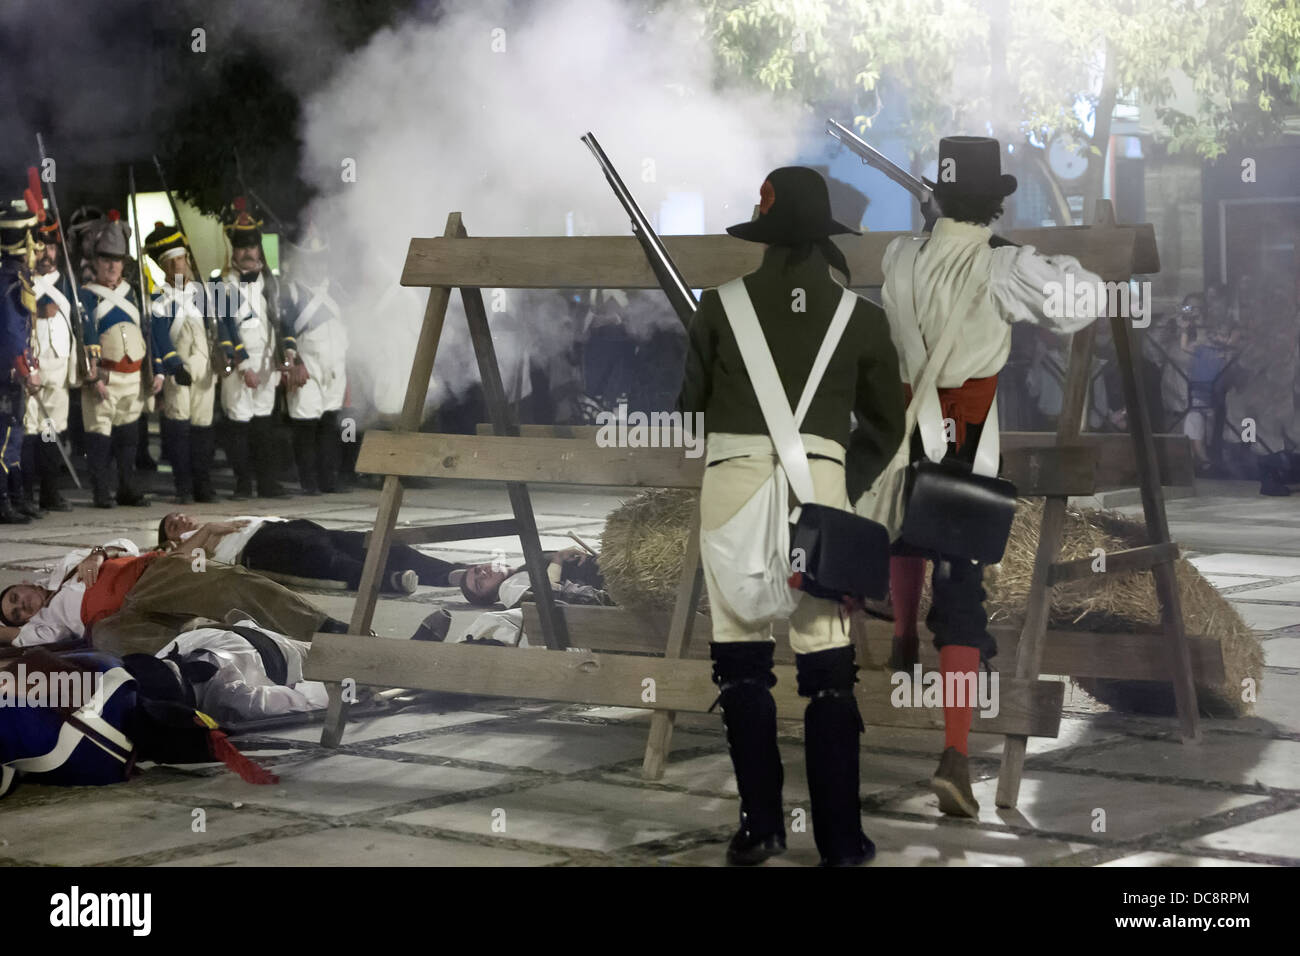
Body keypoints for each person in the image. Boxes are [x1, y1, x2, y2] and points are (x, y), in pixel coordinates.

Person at [679, 166, 905, 866]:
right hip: (822, 494)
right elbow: (887, 424)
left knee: (741, 663)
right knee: (828, 666)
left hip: (731, 490)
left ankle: (761, 826)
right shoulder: (862, 319)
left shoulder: (717, 306)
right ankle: (840, 839)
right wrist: (839, 475)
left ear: (765, 231)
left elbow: (689, 412)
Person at [881, 136, 1104, 819]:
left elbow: (918, 268)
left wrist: (933, 222)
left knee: (903, 529)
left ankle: (898, 645)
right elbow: (1081, 302)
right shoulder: (1001, 264)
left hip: (904, 441)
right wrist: (1030, 255)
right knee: (962, 597)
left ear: (937, 197)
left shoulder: (899, 257)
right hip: (968, 446)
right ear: (995, 203)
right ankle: (953, 754)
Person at [0, 542, 374, 657]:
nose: (22, 606)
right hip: (115, 620)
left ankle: (328, 630)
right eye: (16, 613)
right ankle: (250, 659)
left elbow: (126, 546)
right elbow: (14, 643)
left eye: (16, 597)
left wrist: (98, 553)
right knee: (109, 641)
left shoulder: (66, 564)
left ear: (24, 584)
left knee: (229, 584)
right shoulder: (41, 626)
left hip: (147, 578)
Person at [78, 213, 166, 508]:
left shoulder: (135, 294)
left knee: (129, 439)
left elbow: (149, 333)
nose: (112, 266)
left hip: (132, 377)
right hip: (105, 377)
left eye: (117, 260)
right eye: (106, 259)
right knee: (99, 439)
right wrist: (91, 375)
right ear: (96, 261)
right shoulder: (87, 296)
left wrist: (157, 370)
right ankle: (101, 492)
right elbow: (83, 339)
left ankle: (127, 488)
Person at [158, 512, 464, 593]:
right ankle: (390, 580)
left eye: (179, 516)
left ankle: (448, 573)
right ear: (168, 538)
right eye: (173, 524)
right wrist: (206, 530)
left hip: (278, 529)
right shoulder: (179, 547)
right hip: (257, 549)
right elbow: (175, 564)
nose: (180, 520)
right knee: (326, 561)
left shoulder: (205, 529)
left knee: (363, 542)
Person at [145, 221, 225, 503]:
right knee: (178, 429)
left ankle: (204, 485)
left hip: (204, 370)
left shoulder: (203, 293)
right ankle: (184, 488)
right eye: (172, 261)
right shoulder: (159, 297)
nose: (179, 266)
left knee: (203, 429)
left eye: (181, 259)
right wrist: (173, 365)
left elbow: (218, 326)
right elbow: (159, 335)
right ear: (163, 267)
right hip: (177, 371)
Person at [217, 197, 287, 499]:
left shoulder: (270, 284)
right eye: (242, 246)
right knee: (239, 426)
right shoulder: (221, 285)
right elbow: (225, 328)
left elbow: (279, 324)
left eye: (252, 245)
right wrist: (244, 366)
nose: (247, 251)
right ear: (234, 250)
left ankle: (267, 482)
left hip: (268, 364)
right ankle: (243, 483)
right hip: (239, 365)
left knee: (264, 427)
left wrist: (286, 356)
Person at [280, 225, 348, 494]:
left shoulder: (336, 289)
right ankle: (309, 482)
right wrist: (293, 362)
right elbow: (284, 328)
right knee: (306, 427)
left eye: (321, 258)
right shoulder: (293, 291)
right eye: (312, 259)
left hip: (335, 366)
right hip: (306, 365)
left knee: (329, 426)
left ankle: (328, 479)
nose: (318, 264)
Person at [20, 212, 78, 514]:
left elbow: (78, 327)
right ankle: (26, 495)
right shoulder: (23, 280)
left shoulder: (66, 283)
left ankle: (50, 492)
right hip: (32, 367)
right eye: (40, 247)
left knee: (51, 429)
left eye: (51, 247)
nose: (47, 254)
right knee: (30, 430)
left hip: (59, 366)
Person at [0, 198, 42, 524]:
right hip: (6, 372)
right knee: (5, 438)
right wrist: (26, 371)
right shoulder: (12, 282)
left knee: (15, 433)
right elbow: (13, 334)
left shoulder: (15, 277)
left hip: (11, 371)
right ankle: (4, 502)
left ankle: (15, 496)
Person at [451, 547, 610, 608]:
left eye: (478, 571)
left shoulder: (524, 567)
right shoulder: (509, 587)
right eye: (480, 584)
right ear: (491, 597)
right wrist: (557, 560)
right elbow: (549, 595)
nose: (483, 574)